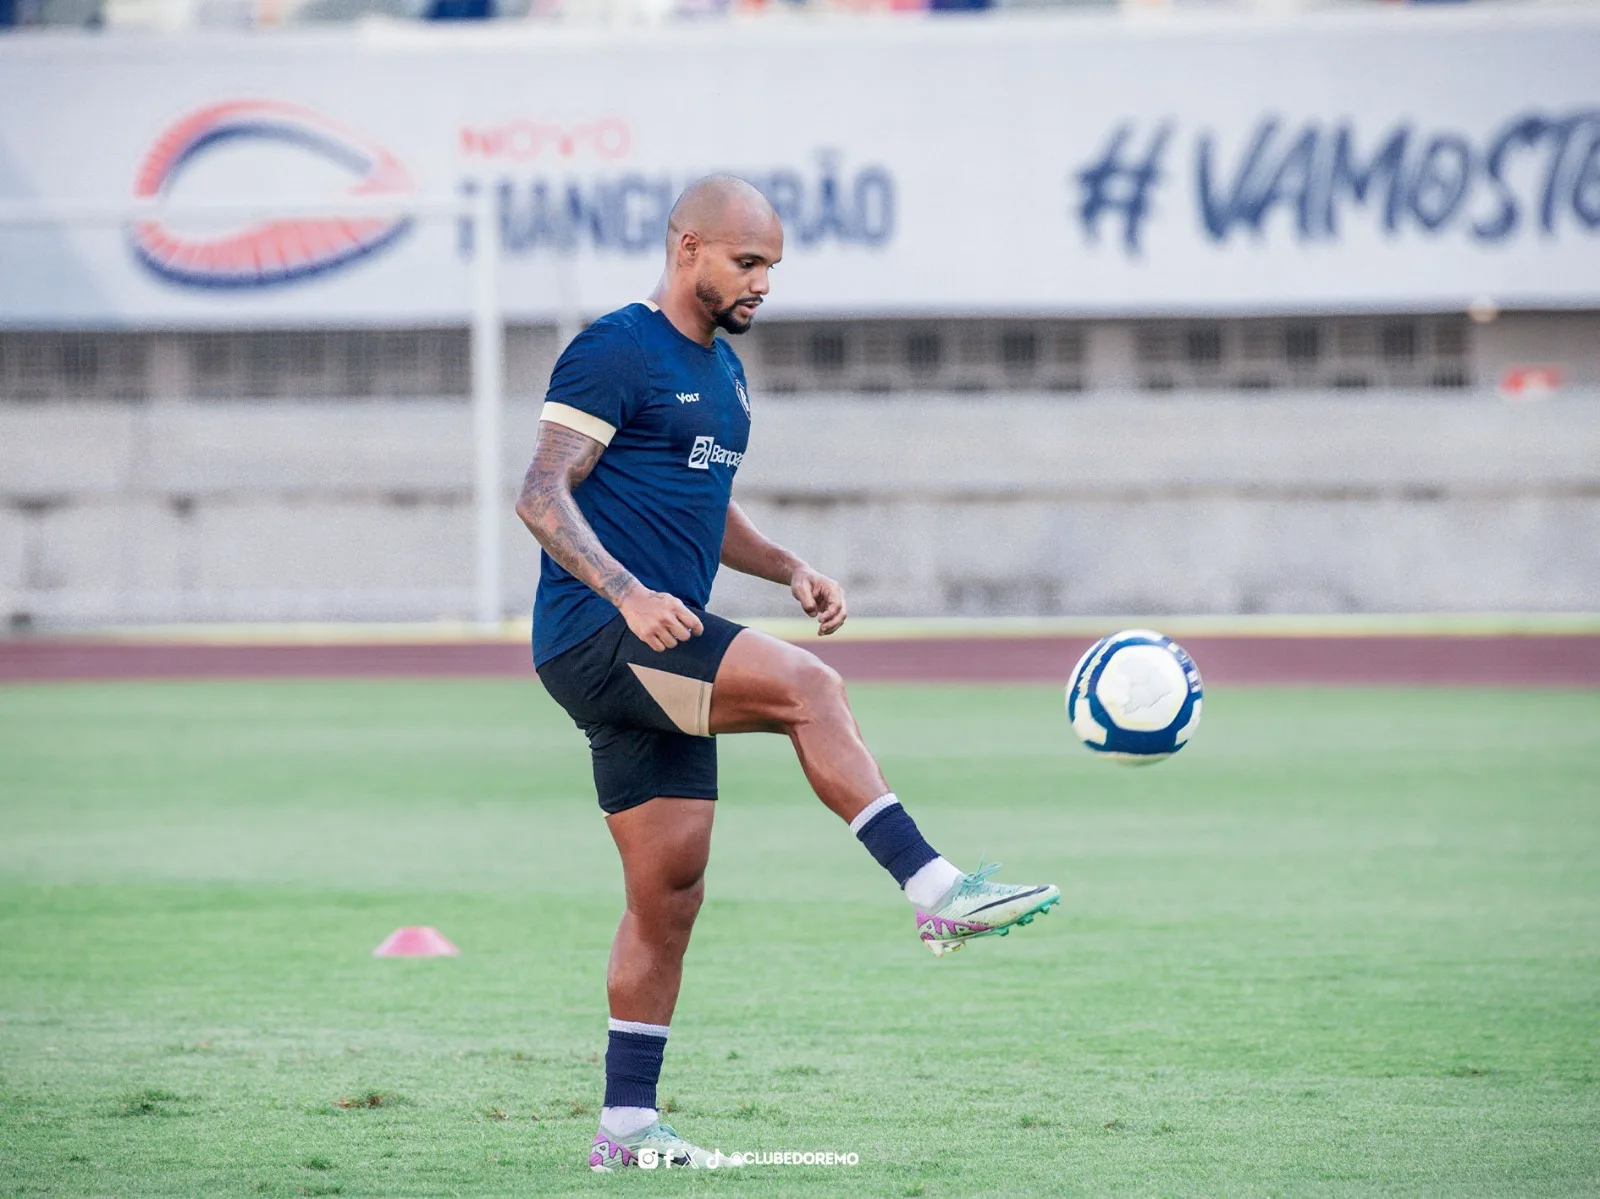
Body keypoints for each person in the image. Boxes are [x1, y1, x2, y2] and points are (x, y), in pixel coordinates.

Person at [514, 175, 1059, 1172]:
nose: (763, 284)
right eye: (746, 262)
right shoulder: (614, 349)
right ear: (687, 248)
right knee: (812, 689)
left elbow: (702, 507)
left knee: (668, 894)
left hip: (651, 649)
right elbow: (542, 494)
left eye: (772, 267)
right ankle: (936, 889)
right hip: (602, 631)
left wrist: (788, 566)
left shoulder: (725, 375)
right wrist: (628, 592)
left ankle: (626, 1129)